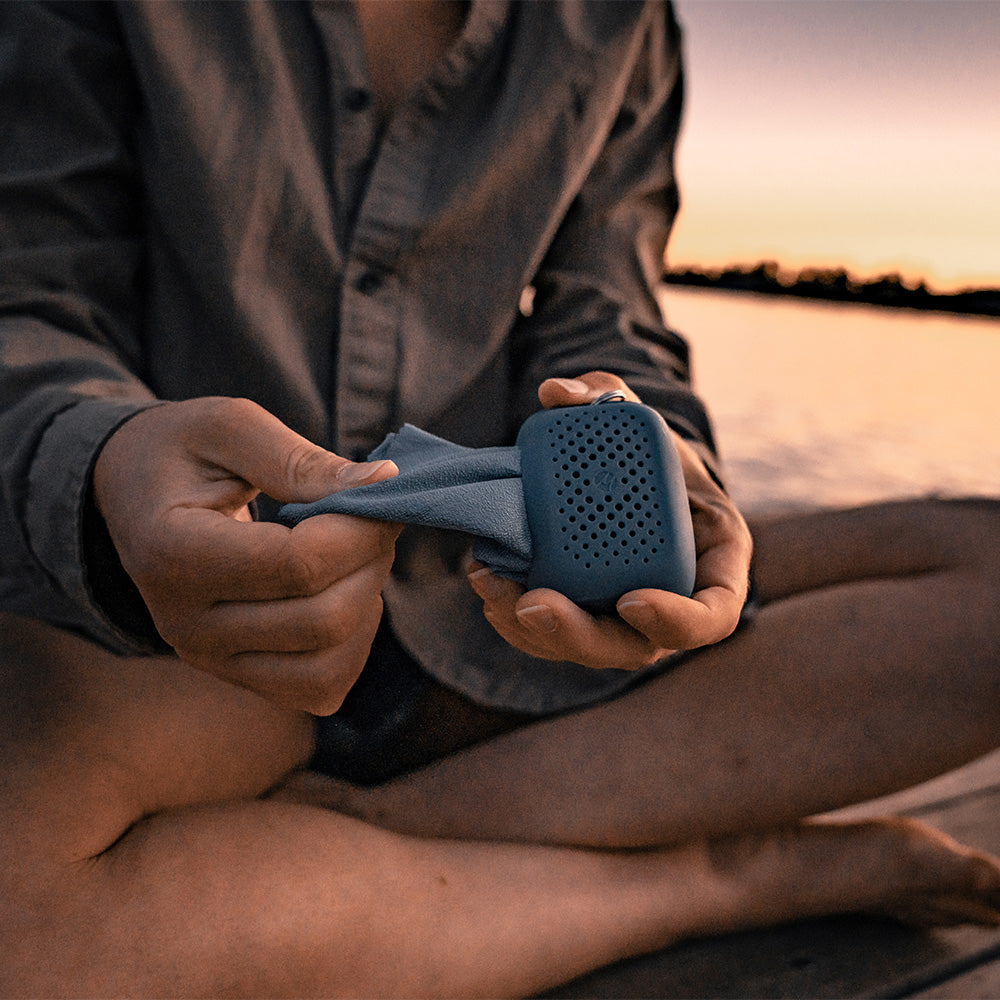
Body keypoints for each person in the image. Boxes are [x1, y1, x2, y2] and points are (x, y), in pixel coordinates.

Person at [2, 1, 999, 996]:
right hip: (188, 633)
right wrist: (104, 462)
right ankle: (718, 878)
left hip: (495, 610)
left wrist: (658, 448)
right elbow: (31, 291)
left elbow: (606, 316)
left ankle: (343, 841)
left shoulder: (621, 22)